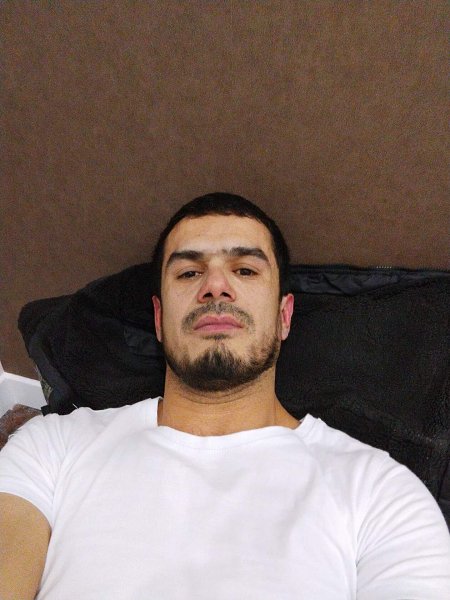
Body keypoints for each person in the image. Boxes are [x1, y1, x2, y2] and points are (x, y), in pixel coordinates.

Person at [0, 192, 449, 599]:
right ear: (158, 319)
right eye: (189, 272)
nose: (215, 286)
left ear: (284, 316)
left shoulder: (380, 492)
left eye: (245, 270)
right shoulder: (52, 447)